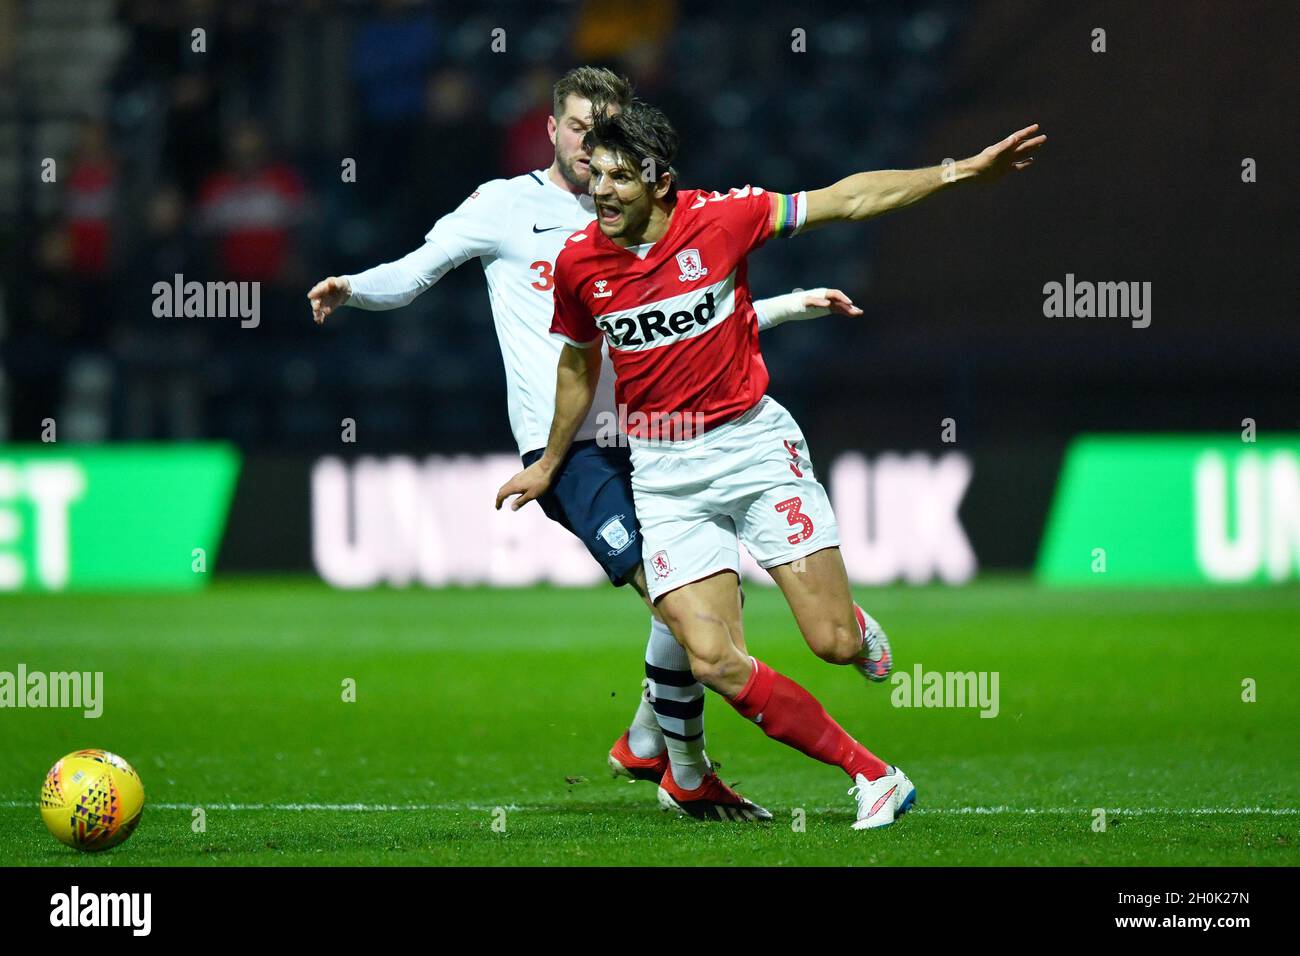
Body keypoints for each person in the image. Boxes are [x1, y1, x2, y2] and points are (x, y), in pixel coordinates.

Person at [309, 68, 870, 821]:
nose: (590, 144)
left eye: (607, 127)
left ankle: (651, 741)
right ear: (550, 129)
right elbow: (415, 272)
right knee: (679, 611)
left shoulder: (639, 214)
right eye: (578, 127)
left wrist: (786, 305)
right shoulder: (504, 207)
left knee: (693, 602)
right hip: (573, 454)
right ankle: (683, 767)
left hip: (659, 438)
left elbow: (680, 321)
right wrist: (354, 286)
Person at [497, 100, 1044, 828]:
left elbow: (849, 199)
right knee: (713, 661)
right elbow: (576, 366)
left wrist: (960, 172)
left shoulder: (723, 219)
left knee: (832, 644)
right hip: (662, 475)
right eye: (595, 174)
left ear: (661, 181)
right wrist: (548, 463)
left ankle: (845, 621)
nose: (602, 191)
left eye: (621, 177)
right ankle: (873, 776)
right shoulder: (579, 263)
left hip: (752, 449)